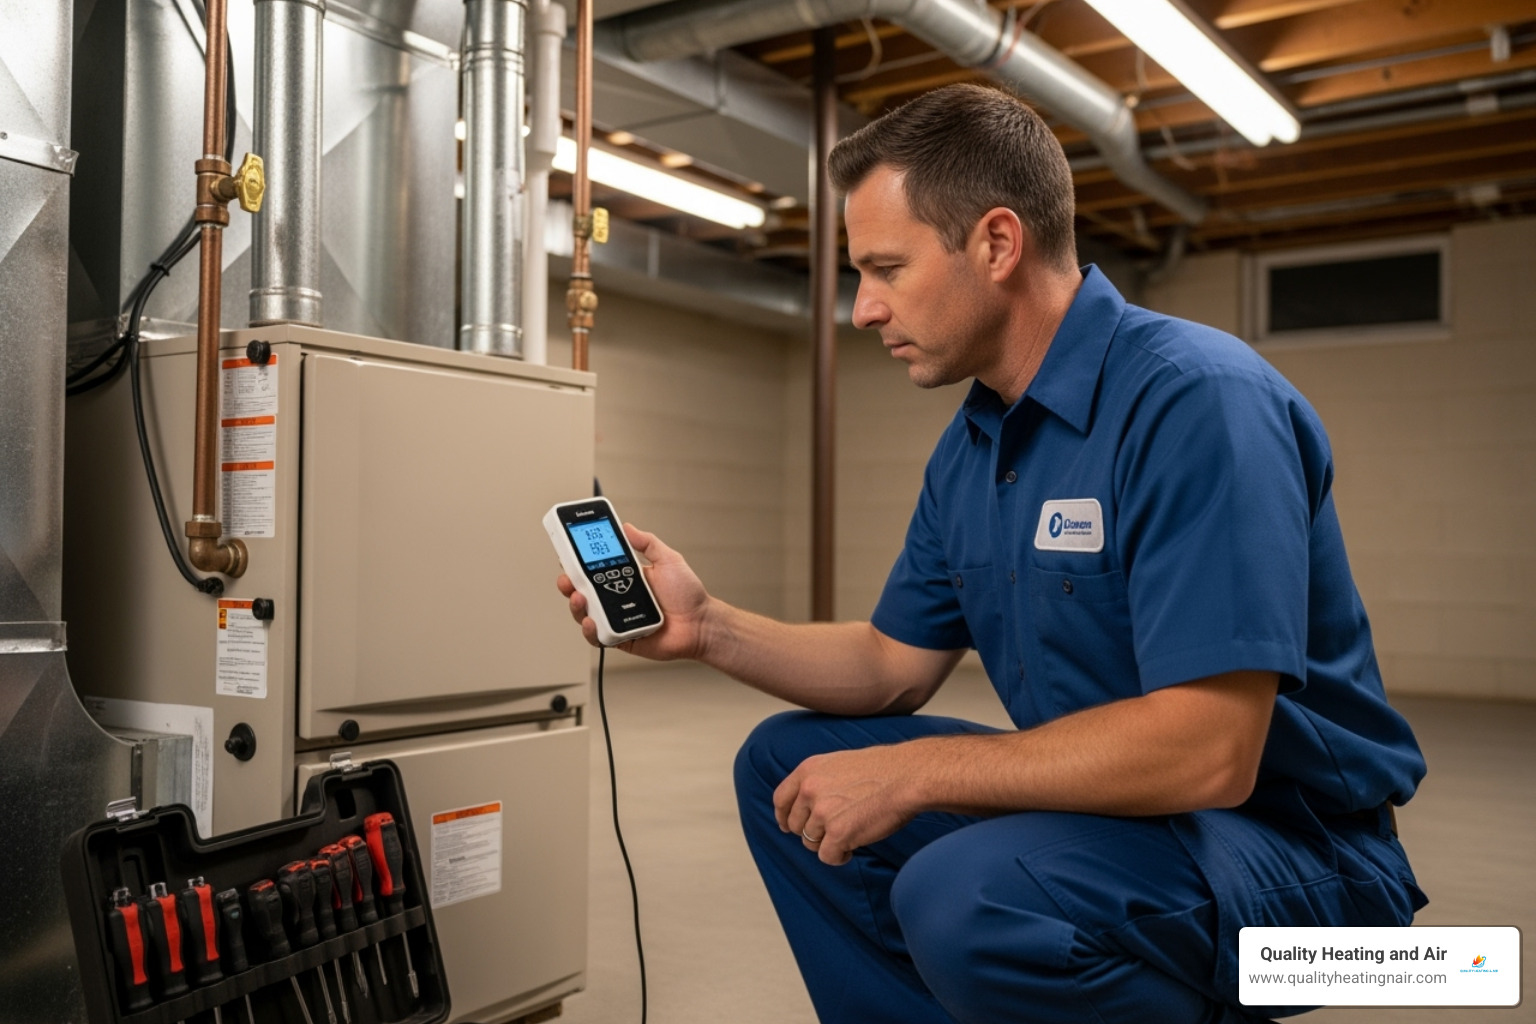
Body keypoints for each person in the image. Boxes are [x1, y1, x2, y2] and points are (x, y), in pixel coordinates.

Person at [556, 82, 1427, 1024]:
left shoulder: (1195, 401)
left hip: (1309, 872)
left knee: (970, 896)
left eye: (886, 268)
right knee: (785, 765)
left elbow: (1209, 753)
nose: (863, 309)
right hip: (1126, 824)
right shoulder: (977, 447)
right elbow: (891, 665)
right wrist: (708, 627)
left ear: (998, 244)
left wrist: (917, 774)